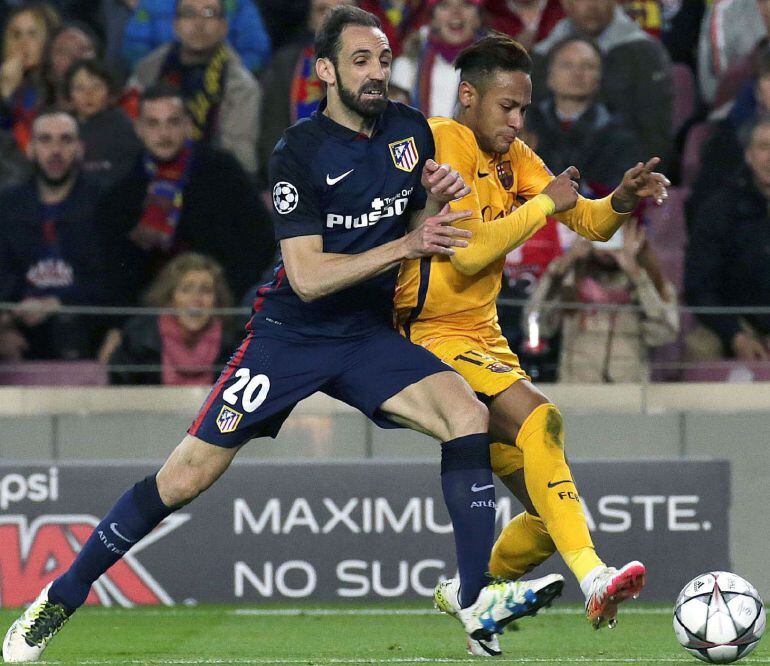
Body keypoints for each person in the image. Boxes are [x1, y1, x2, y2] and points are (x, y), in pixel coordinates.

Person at [2, 8, 564, 663]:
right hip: (289, 334)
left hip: (364, 334)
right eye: (360, 61)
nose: (376, 72)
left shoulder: (411, 131)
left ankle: (475, 603)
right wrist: (409, 241)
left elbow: (416, 213)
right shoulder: (297, 152)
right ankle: (56, 601)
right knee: (183, 479)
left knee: (466, 412)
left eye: (383, 59)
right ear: (325, 70)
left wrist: (434, 201)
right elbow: (307, 276)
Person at [394, 34, 669, 648]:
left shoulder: (514, 156)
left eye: (523, 108)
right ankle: (594, 575)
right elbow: (468, 254)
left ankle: (470, 598)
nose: (518, 121)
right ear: (469, 95)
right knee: (541, 420)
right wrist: (545, 203)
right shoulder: (445, 142)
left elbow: (588, 221)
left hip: (484, 338)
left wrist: (619, 202)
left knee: (548, 519)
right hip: (429, 336)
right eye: (507, 107)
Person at [97, 83, 274, 305]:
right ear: (138, 129)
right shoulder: (123, 191)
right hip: (149, 316)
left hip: (221, 305)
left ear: (188, 125)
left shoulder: (222, 172)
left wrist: (222, 300)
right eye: (153, 124)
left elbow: (259, 241)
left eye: (173, 122)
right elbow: (115, 271)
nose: (164, 133)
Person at [0, 109, 109, 361]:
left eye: (65, 140)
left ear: (80, 148)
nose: (56, 150)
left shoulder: (105, 204)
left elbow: (108, 282)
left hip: (88, 334)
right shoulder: (7, 206)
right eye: (45, 140)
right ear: (30, 149)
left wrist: (58, 302)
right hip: (18, 334)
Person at [524, 224, 679, 382]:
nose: (608, 241)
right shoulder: (570, 279)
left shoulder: (650, 283)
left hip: (628, 393)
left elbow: (664, 334)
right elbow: (536, 324)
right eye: (604, 233)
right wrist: (564, 263)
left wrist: (637, 275)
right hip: (578, 390)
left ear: (634, 234)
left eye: (615, 233)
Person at [125, 0, 262, 176]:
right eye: (189, 14)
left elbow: (240, 158)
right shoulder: (148, 71)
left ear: (223, 26)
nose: (199, 24)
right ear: (175, 25)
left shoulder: (241, 86)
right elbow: (128, 139)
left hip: (214, 180)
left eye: (208, 14)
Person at [531, 0, 673, 169]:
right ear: (565, 4)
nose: (592, 6)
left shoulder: (645, 53)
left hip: (622, 170)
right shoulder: (541, 57)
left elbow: (654, 135)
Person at [684, 116, 770, 362]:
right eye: (763, 147)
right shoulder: (718, 211)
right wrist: (736, 335)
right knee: (700, 347)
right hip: (734, 322)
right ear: (749, 155)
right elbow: (700, 288)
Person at [523, 36, 642, 190]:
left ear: (599, 78)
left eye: (587, 66)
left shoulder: (620, 135)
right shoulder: (526, 124)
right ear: (549, 76)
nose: (577, 74)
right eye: (567, 65)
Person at [258, 0, 354, 187]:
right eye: (322, 11)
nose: (332, 20)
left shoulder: (379, 66)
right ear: (310, 20)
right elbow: (272, 138)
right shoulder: (286, 65)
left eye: (343, 11)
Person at [104, 252, 238, 385]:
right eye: (186, 289)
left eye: (206, 290)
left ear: (217, 300)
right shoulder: (139, 340)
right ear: (169, 299)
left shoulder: (234, 345)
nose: (196, 299)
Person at [390, 0, 483, 118]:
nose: (456, 13)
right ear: (432, 19)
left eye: (466, 4)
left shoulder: (495, 66)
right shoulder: (408, 64)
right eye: (444, 5)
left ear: (478, 18)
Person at [122, 0, 271, 73]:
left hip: (225, 86)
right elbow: (134, 48)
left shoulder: (238, 3)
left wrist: (222, 78)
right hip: (165, 86)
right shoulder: (152, 3)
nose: (198, 24)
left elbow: (256, 50)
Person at [63, 58, 142, 187]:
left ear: (108, 90)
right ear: (69, 94)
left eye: (96, 86)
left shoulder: (124, 129)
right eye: (79, 88)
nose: (88, 94)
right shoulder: (60, 127)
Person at [0, 3, 61, 151]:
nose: (23, 43)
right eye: (16, 35)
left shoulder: (59, 84)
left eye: (32, 34)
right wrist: (4, 92)